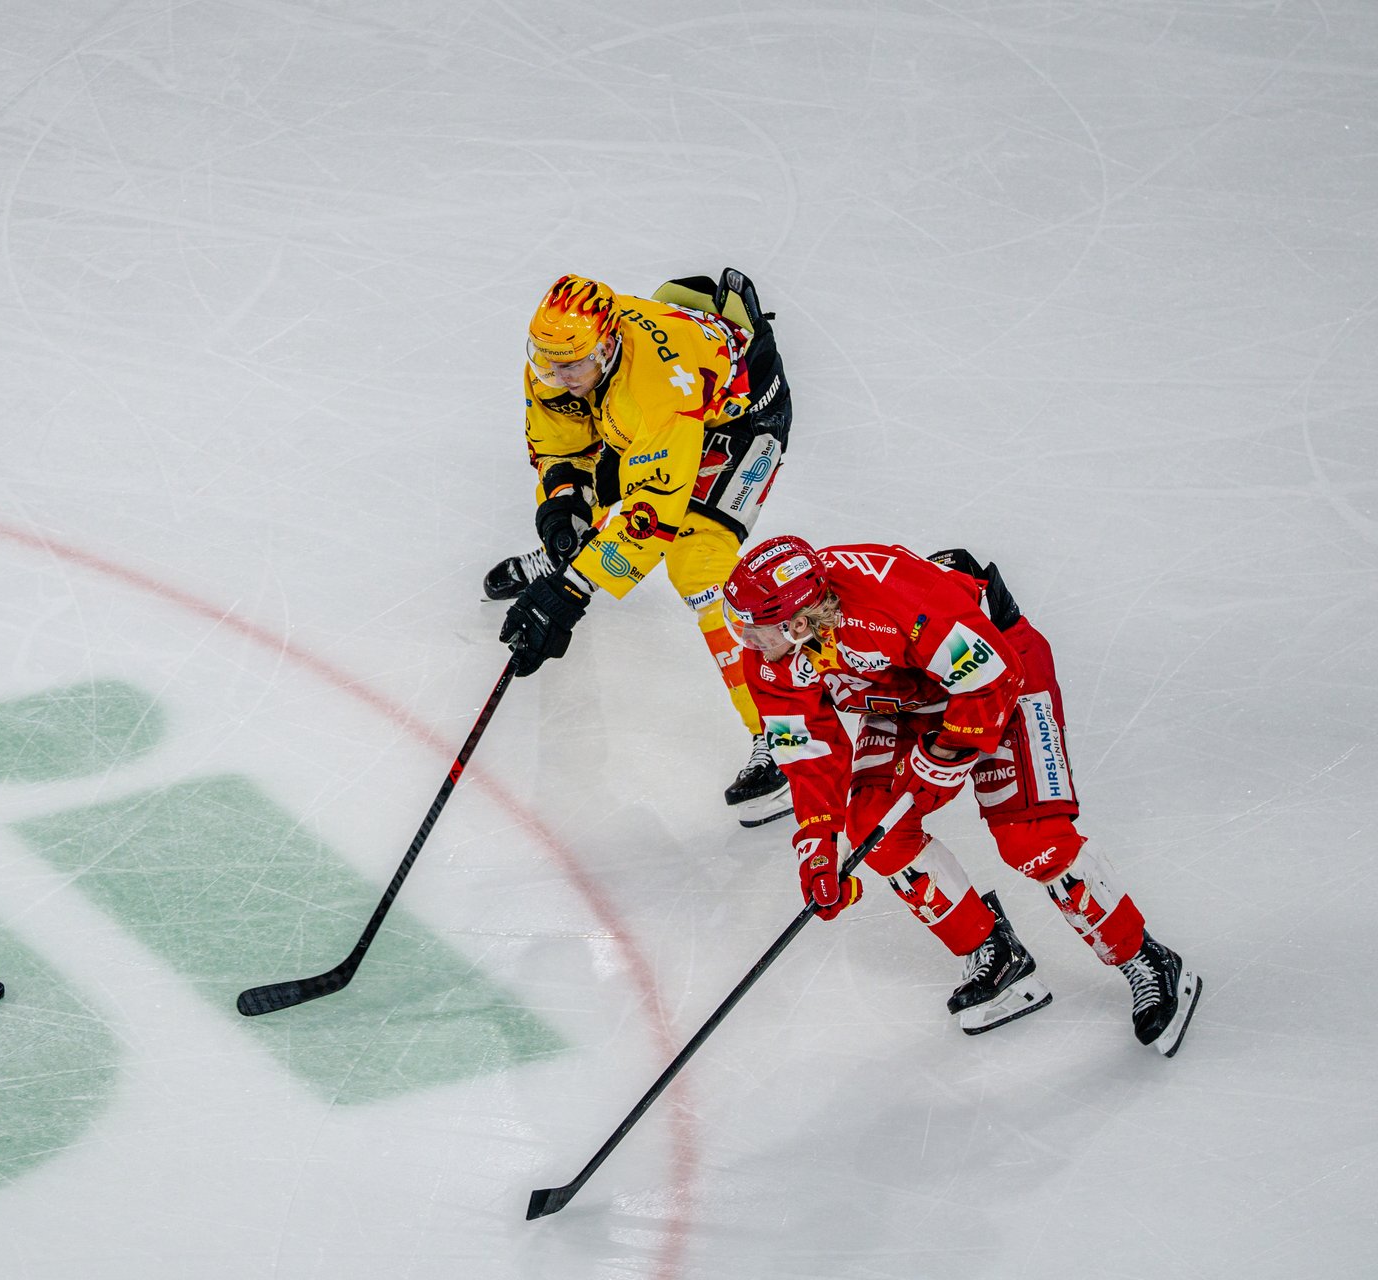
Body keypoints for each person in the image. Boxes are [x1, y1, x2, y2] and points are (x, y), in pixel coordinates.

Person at [717, 535, 1202, 1055]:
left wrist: (944, 758)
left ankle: (1146, 959)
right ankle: (994, 953)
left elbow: (992, 677)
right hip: (904, 695)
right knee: (876, 831)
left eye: (754, 628)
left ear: (798, 623)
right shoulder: (772, 656)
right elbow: (807, 752)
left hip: (1000, 675)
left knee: (1032, 840)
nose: (746, 640)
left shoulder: (895, 597)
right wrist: (817, 843)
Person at [490, 270, 795, 824]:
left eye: (570, 365)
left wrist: (569, 591)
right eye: (546, 361)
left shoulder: (656, 389)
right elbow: (564, 445)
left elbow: (652, 516)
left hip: (742, 420)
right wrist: (564, 509)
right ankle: (570, 550)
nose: (555, 376)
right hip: (654, 414)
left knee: (697, 563)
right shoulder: (566, 358)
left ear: (608, 347)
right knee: (592, 492)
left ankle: (787, 740)